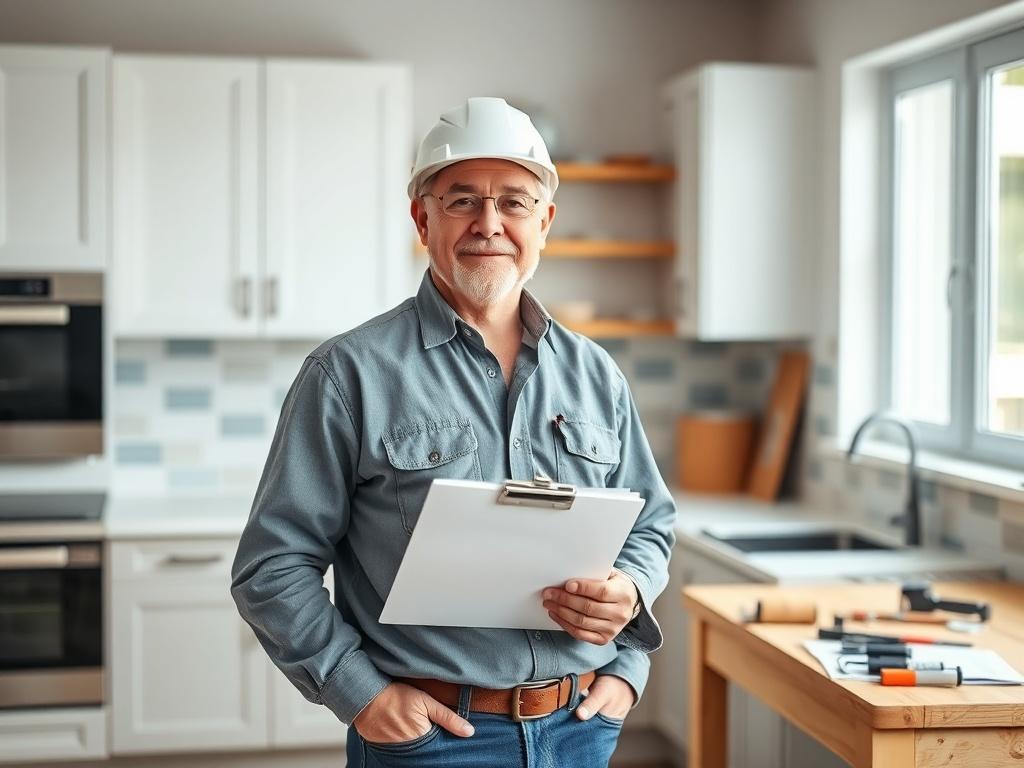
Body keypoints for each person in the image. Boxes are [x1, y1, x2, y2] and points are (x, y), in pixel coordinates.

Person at [231, 96, 676, 768]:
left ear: (545, 221)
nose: (489, 224)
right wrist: (363, 696)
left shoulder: (596, 373)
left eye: (515, 203)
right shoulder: (347, 373)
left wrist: (629, 631)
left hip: (582, 725)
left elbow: (651, 525)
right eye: (462, 200)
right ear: (423, 218)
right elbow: (271, 569)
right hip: (432, 740)